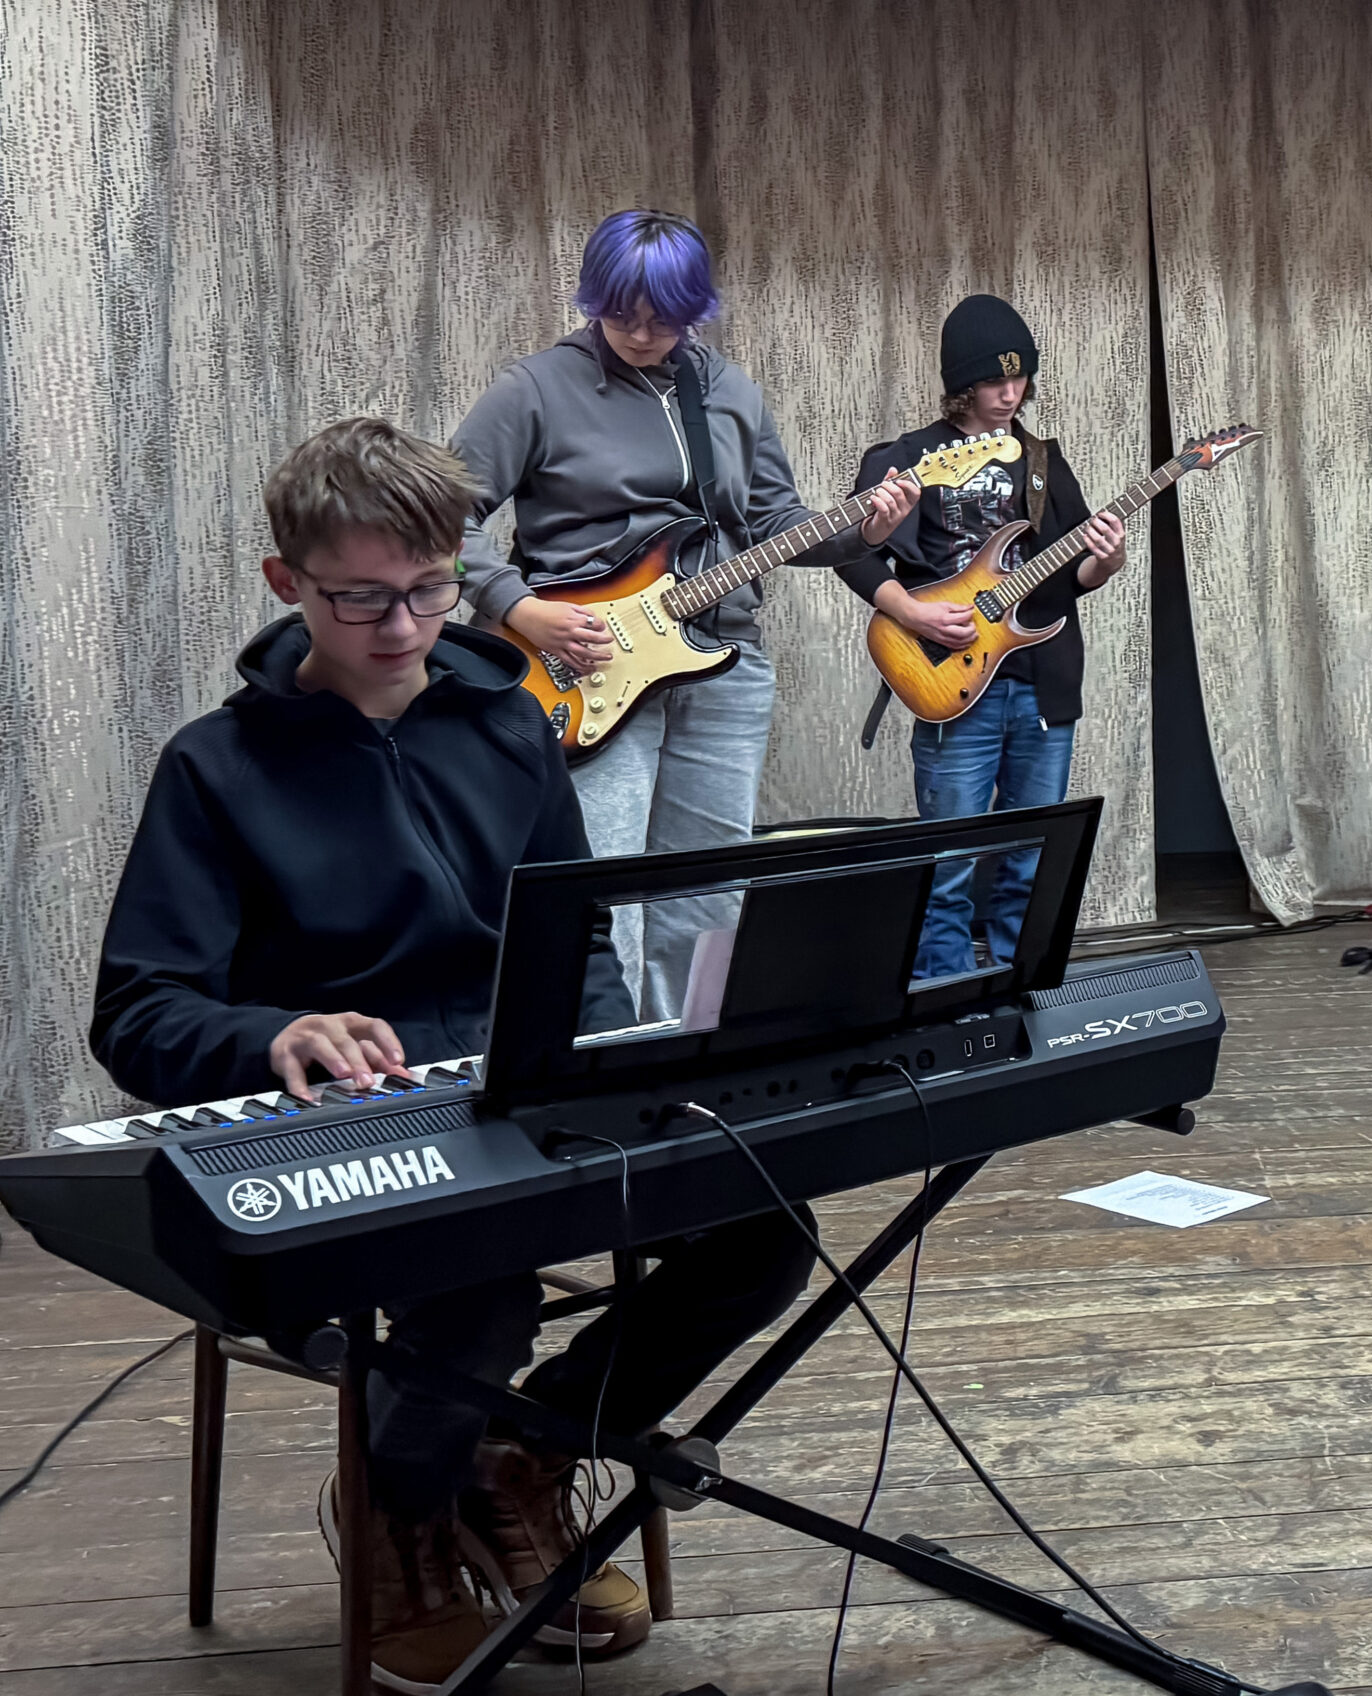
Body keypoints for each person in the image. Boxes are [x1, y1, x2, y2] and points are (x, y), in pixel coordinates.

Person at [90, 419, 817, 1694]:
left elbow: (574, 933)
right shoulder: (216, 767)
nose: (403, 627)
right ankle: (399, 1506)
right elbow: (138, 1012)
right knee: (477, 1286)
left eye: (430, 590)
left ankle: (523, 1453)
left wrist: (609, 1054)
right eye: (359, 598)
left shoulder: (508, 724)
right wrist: (272, 1033)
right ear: (286, 582)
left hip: (520, 1095)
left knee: (766, 1230)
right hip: (341, 1129)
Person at [452, 208, 919, 1019]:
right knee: (602, 890)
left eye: (663, 317)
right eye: (620, 313)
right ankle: (600, 1066)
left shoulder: (731, 392)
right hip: (589, 662)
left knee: (706, 895)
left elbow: (776, 524)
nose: (640, 333)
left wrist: (863, 533)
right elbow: (435, 521)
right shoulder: (535, 390)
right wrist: (519, 609)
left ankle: (680, 1062)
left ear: (695, 307)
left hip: (723, 666)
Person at [837, 294, 1127, 980]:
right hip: (951, 677)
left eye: (1020, 378)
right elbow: (852, 552)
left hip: (1041, 682)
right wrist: (912, 614)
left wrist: (1106, 562)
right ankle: (942, 1001)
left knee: (1031, 859)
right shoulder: (907, 458)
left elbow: (1072, 573)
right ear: (961, 385)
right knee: (948, 864)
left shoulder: (1042, 461)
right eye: (995, 381)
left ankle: (1019, 994)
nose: (1010, 394)